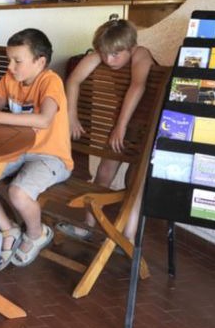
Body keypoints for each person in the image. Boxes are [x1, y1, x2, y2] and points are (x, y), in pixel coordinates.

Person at [0, 28, 72, 268]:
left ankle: (36, 233)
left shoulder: (51, 81)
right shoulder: (12, 79)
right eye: (10, 59)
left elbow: (44, 120)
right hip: (18, 152)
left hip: (52, 157)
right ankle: (8, 228)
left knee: (17, 192)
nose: (10, 66)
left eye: (17, 61)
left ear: (40, 62)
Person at [60, 18, 154, 243]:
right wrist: (71, 116)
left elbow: (137, 85)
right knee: (103, 173)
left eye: (115, 54)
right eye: (104, 54)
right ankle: (88, 226)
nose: (109, 60)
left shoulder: (140, 54)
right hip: (123, 124)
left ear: (130, 48)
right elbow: (73, 80)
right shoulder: (101, 54)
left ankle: (129, 236)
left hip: (146, 126)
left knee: (136, 178)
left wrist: (120, 126)